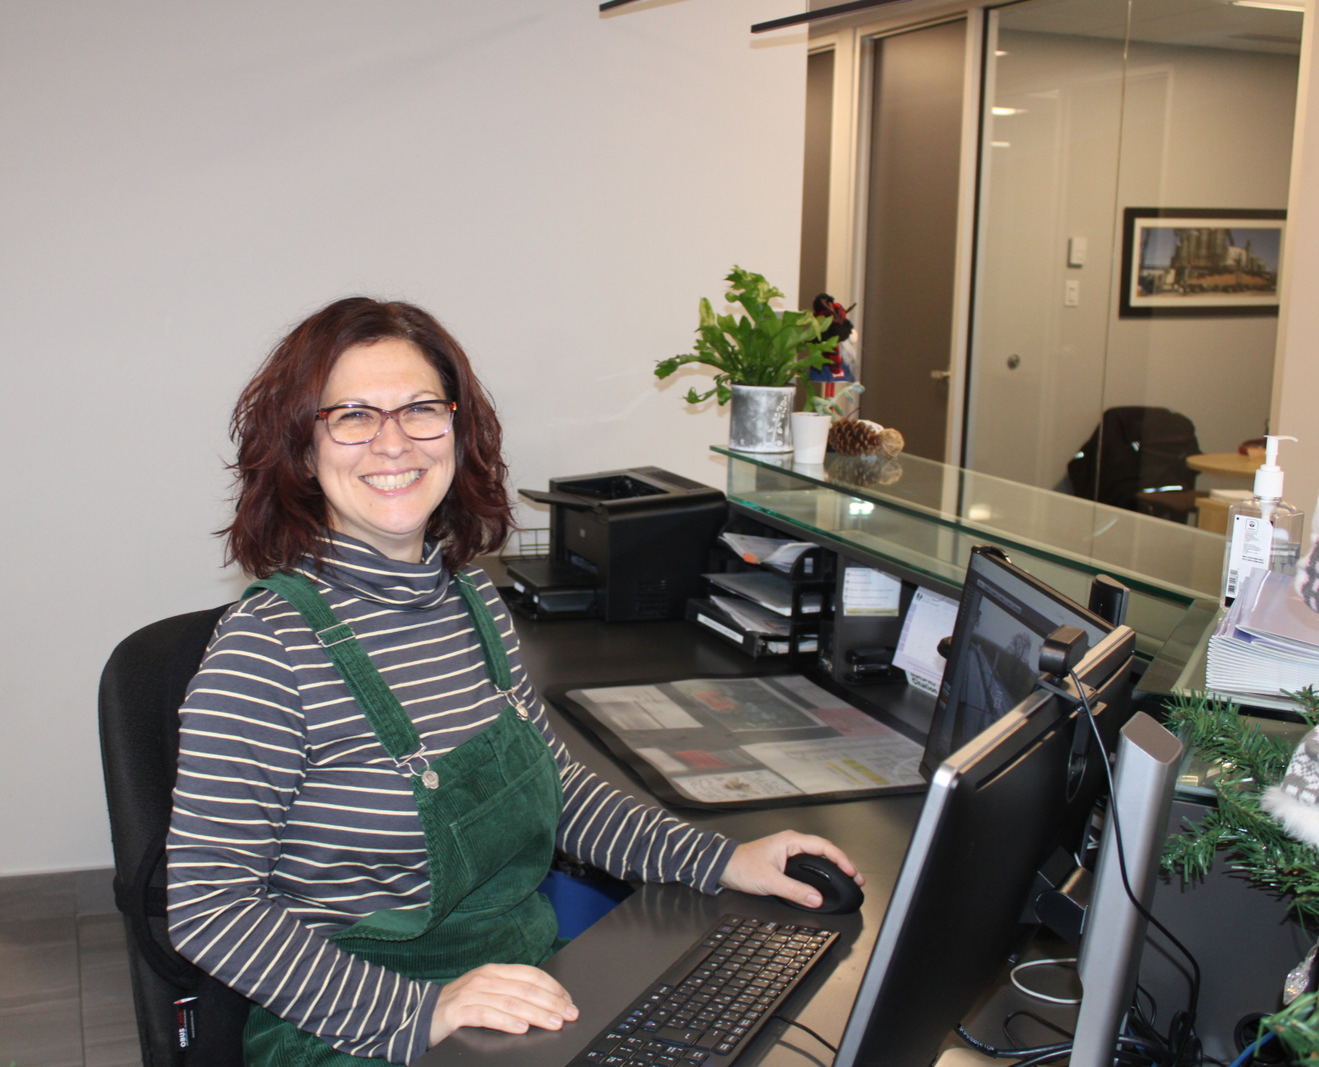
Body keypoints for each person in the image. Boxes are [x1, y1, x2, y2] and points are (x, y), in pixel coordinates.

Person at [166, 296, 863, 1066]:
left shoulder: (472, 599)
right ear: (303, 449)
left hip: (518, 986)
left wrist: (721, 859)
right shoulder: (267, 648)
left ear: (457, 431)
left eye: (420, 409)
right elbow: (208, 905)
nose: (393, 442)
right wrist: (424, 1010)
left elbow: (555, 791)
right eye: (353, 416)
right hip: (351, 1024)